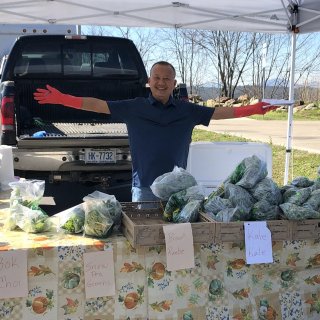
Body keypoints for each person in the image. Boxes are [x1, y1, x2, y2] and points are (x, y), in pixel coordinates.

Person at [33, 61, 277, 202]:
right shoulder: (133, 108)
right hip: (144, 189)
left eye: (167, 78)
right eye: (157, 77)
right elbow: (97, 104)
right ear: (149, 81)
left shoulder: (187, 110)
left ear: (174, 83)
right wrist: (64, 99)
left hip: (179, 189)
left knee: (175, 244)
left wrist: (253, 109)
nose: (162, 82)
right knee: (144, 245)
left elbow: (218, 113)